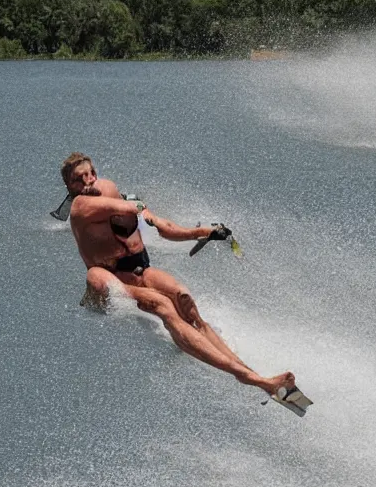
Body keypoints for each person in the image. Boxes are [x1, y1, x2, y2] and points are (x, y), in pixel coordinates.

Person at [61, 152, 296, 397]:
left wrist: (207, 231)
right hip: (107, 280)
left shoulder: (109, 191)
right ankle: (254, 380)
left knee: (183, 298)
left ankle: (253, 373)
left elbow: (166, 227)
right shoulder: (80, 205)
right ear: (70, 186)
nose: (88, 181)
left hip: (137, 270)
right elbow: (125, 207)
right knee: (163, 304)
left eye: (91, 174)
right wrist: (137, 205)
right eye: (80, 179)